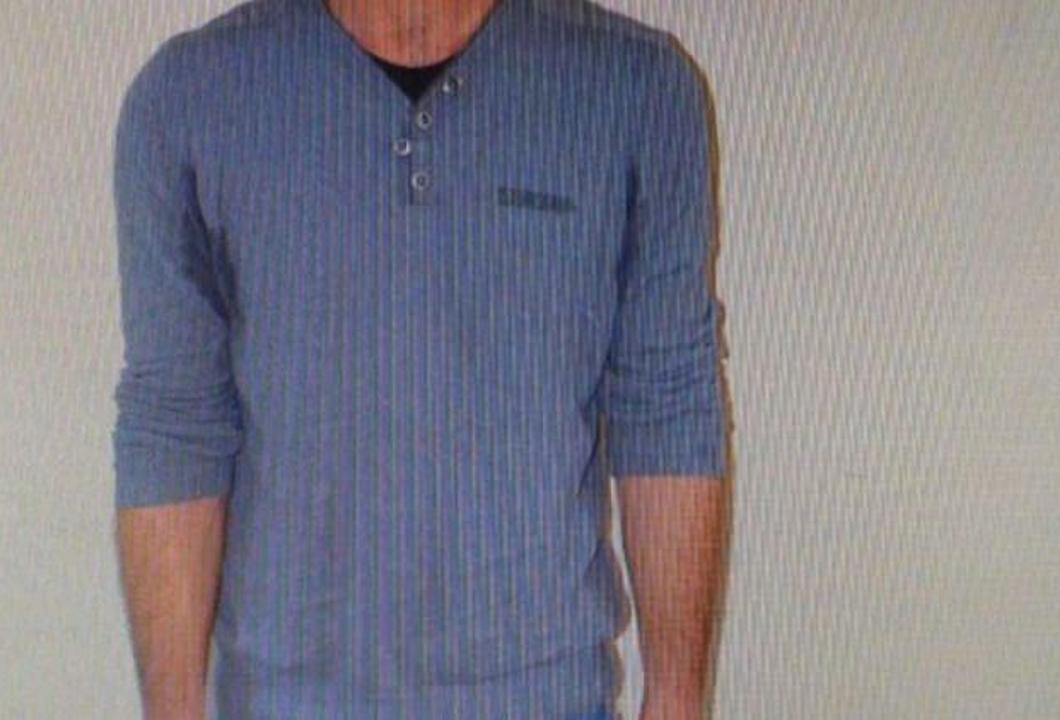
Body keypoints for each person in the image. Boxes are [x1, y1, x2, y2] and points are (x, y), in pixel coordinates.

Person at [110, 0, 730, 718]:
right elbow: (176, 424)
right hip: (281, 700)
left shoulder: (637, 87)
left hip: (544, 697)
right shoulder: (190, 97)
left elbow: (666, 400)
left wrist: (677, 698)